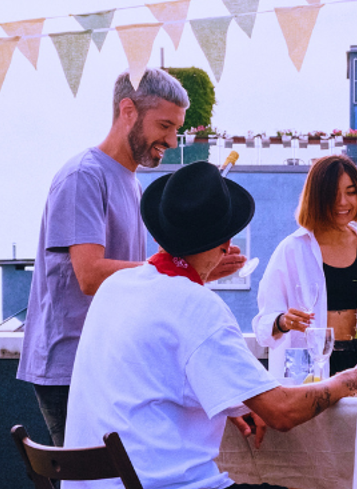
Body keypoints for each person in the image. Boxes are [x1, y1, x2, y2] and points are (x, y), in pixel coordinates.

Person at [61, 161, 357, 489]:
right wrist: (356, 377)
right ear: (225, 245)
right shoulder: (195, 304)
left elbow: (152, 378)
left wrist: (233, 404)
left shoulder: (119, 287)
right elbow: (281, 412)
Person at [17, 68, 244, 447]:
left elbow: (142, 285)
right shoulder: (83, 176)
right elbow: (89, 275)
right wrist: (177, 269)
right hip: (71, 367)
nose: (172, 140)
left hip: (111, 362)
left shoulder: (132, 184)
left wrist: (197, 271)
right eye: (165, 125)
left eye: (177, 129)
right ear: (128, 110)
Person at [253, 155, 357, 375]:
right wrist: (283, 321)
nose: (343, 202)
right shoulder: (292, 249)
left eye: (351, 192)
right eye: (333, 195)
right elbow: (263, 326)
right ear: (317, 198)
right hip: (309, 364)